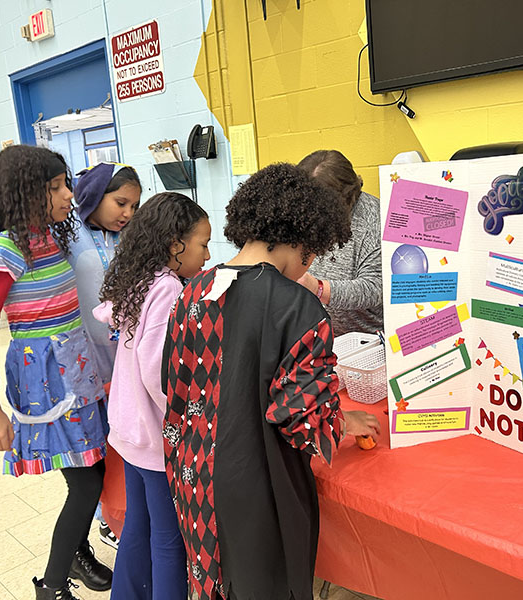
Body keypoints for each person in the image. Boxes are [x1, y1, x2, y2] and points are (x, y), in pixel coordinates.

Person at [161, 163, 381, 600]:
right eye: (315, 251)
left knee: (212, 585)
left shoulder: (192, 290)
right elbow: (299, 419)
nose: (312, 262)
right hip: (257, 487)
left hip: (191, 473)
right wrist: (341, 420)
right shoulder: (298, 308)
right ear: (303, 240)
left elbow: (176, 386)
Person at [0, 145, 112, 600]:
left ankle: (75, 549)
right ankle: (50, 586)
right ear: (28, 193)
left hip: (76, 366)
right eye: (57, 187)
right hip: (45, 378)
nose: (70, 195)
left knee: (91, 470)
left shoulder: (52, 235)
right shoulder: (6, 248)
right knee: (86, 481)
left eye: (66, 183)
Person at [95, 192, 210, 599]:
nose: (208, 255)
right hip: (156, 439)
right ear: (175, 244)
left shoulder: (138, 278)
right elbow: (160, 372)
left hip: (128, 430)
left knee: (139, 529)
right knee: (169, 540)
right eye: (203, 244)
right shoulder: (166, 290)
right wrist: (189, 417)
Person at [67, 162, 142, 550]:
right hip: (84, 358)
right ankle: (103, 518)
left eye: (134, 206)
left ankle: (123, 509)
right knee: (95, 445)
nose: (127, 213)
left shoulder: (127, 236)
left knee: (123, 437)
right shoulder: (68, 233)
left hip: (123, 354)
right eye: (121, 203)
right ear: (95, 196)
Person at [296, 150, 383, 336]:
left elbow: (374, 288)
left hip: (368, 340)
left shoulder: (375, 222)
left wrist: (317, 287)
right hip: (322, 334)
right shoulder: (307, 211)